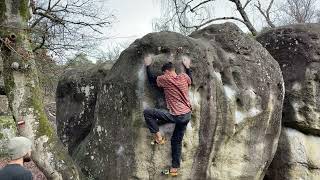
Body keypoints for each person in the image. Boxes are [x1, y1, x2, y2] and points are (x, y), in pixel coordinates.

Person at [143, 54, 192, 177]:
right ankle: (174, 169)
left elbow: (151, 80)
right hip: (186, 115)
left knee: (148, 113)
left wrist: (147, 66)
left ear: (165, 72)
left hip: (175, 115)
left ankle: (159, 138)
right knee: (176, 141)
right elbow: (191, 78)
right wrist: (187, 67)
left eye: (164, 73)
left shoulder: (165, 79)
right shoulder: (184, 76)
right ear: (174, 70)